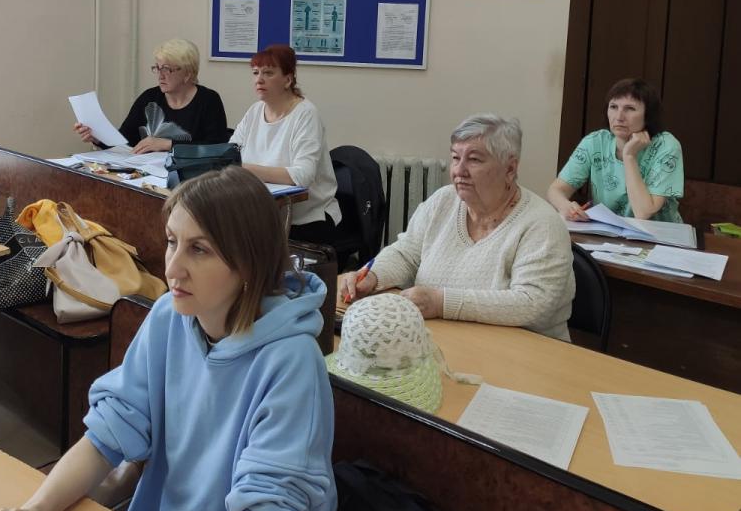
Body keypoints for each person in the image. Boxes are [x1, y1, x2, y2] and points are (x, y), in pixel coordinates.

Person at [0, 166, 342, 511]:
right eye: (173, 241)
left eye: (199, 250)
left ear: (249, 263)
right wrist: (37, 509)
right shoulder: (171, 316)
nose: (172, 268)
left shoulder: (292, 363)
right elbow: (108, 435)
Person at [339, 114, 574, 341]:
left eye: (474, 159)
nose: (459, 171)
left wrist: (441, 303)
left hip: (525, 352)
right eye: (455, 158)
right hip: (445, 340)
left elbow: (532, 303)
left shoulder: (542, 225)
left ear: (510, 169)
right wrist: (373, 276)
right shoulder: (443, 200)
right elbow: (406, 254)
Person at [230, 44, 341, 246]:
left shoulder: (306, 114)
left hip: (306, 219)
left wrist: (245, 169)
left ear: (288, 80)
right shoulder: (255, 111)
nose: (259, 79)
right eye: (255, 73)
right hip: (262, 212)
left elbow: (302, 176)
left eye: (268, 73)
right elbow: (230, 154)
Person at [548, 78, 684, 224]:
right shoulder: (595, 141)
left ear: (648, 115)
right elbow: (555, 190)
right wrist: (566, 207)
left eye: (630, 109)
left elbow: (643, 212)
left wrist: (629, 156)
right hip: (610, 232)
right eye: (613, 107)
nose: (619, 117)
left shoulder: (666, 146)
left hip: (659, 234)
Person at [74, 38, 227, 154]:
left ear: (187, 74)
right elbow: (125, 140)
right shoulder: (149, 98)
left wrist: (167, 144)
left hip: (191, 179)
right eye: (157, 68)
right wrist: (98, 138)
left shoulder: (208, 100)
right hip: (147, 175)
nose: (160, 75)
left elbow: (218, 148)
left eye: (167, 69)